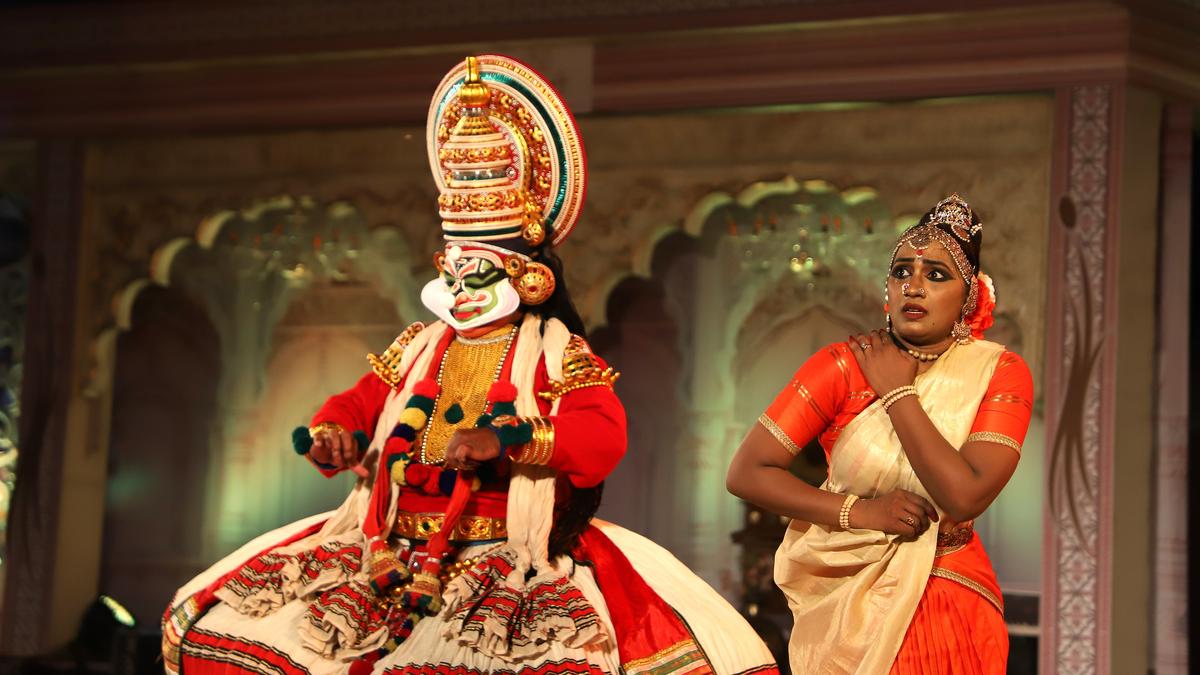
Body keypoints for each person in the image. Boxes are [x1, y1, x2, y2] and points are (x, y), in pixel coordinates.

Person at [162, 54, 777, 675]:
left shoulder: (558, 352)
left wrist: (505, 439)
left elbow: (602, 436)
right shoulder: (419, 344)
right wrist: (336, 435)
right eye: (449, 272)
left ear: (528, 277)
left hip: (502, 558)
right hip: (384, 549)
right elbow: (358, 401)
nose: (457, 289)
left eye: (475, 272)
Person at [726, 193, 1033, 674]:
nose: (913, 286)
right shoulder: (842, 365)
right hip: (845, 601)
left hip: (948, 592)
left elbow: (965, 495)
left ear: (969, 295)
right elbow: (747, 472)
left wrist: (897, 394)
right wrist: (862, 512)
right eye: (901, 272)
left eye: (936, 275)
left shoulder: (1000, 371)